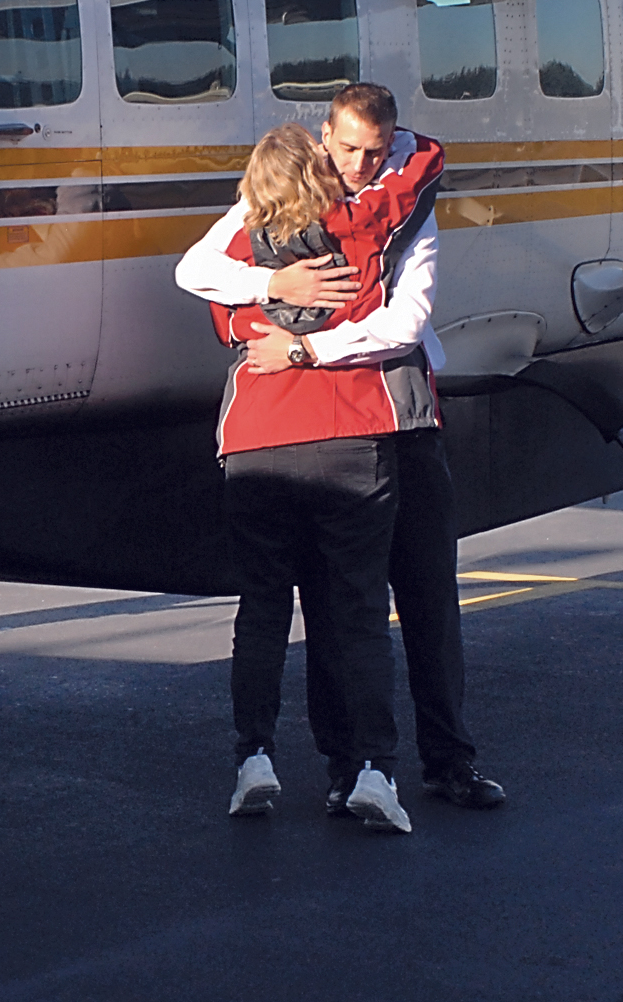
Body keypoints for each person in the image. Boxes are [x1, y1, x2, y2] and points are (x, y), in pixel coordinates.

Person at [174, 83, 504, 830]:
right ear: (323, 139)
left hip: (393, 418)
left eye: (374, 151)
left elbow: (407, 319)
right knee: (339, 605)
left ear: (389, 145)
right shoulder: (294, 205)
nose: (359, 164)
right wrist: (274, 282)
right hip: (358, 423)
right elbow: (196, 266)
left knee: (421, 594)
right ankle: (351, 765)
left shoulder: (397, 209)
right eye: (348, 148)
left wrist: (298, 345)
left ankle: (442, 758)